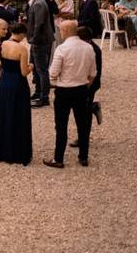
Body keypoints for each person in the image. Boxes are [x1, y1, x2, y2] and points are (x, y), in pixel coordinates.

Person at [43, 21, 97, 169]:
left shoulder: (62, 49)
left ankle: (58, 158)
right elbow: (93, 73)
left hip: (64, 90)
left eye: (61, 31)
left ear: (65, 31)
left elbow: (53, 73)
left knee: (61, 125)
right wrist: (85, 85)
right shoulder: (89, 48)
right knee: (83, 125)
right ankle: (83, 157)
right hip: (82, 89)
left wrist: (56, 79)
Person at [0, 22, 33, 165]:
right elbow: (23, 72)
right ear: (20, 34)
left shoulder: (0, 46)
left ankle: (1, 149)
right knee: (18, 115)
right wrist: (31, 66)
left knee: (4, 113)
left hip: (4, 82)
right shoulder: (22, 49)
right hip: (17, 84)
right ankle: (17, 151)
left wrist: (6, 64)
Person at [22, 0, 53, 108]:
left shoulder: (38, 3)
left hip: (40, 41)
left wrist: (33, 39)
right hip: (37, 40)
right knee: (36, 68)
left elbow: (39, 24)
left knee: (42, 70)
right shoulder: (35, 2)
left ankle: (44, 97)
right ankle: (38, 92)